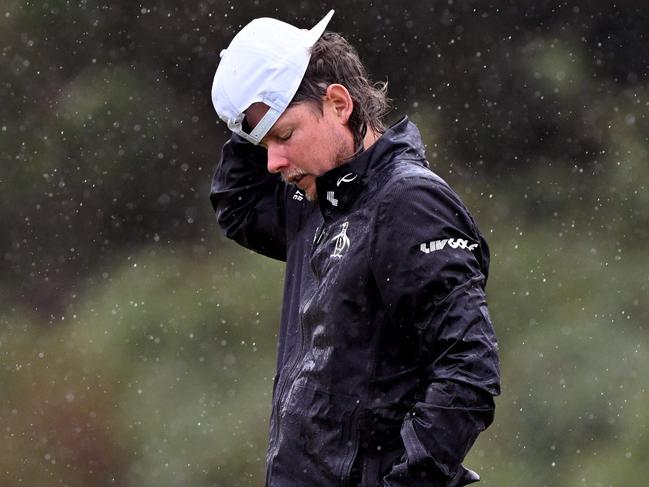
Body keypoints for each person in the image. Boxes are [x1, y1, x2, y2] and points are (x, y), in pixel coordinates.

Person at [209, 10, 500, 487]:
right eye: (262, 145)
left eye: (284, 136)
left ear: (339, 103)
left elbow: (469, 368)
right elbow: (236, 207)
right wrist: (248, 119)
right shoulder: (315, 197)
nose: (274, 160)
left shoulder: (409, 202)